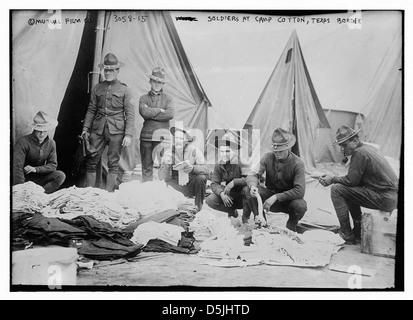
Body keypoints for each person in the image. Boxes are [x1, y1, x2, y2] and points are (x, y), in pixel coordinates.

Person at [319, 126, 399, 244]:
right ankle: (357, 230)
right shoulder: (368, 149)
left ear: (355, 141)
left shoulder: (359, 152)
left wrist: (333, 179)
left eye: (345, 145)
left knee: (337, 190)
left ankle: (346, 233)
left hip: (386, 198)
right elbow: (356, 181)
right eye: (341, 146)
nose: (342, 149)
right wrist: (338, 178)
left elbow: (351, 181)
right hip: (391, 197)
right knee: (348, 190)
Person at [81, 53, 135, 192]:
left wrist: (128, 135)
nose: (108, 73)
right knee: (91, 161)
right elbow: (91, 109)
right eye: (106, 70)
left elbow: (130, 114)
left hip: (117, 131)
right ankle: (90, 194)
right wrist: (85, 129)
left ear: (117, 71)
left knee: (113, 163)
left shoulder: (124, 90)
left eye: (111, 70)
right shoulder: (97, 88)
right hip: (98, 129)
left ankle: (109, 194)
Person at [243, 128, 307, 231]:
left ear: (288, 148)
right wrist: (253, 186)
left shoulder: (298, 163)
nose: (277, 153)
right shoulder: (267, 157)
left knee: (300, 205)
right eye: (275, 151)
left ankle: (291, 226)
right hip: (269, 198)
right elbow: (252, 174)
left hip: (288, 202)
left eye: (280, 151)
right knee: (247, 190)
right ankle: (261, 223)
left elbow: (299, 191)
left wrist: (276, 197)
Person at [158, 126, 210, 211]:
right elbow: (161, 177)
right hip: (177, 186)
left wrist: (193, 168)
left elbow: (207, 169)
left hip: (191, 185)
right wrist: (166, 165)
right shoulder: (168, 153)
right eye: (176, 138)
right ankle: (172, 210)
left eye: (181, 138)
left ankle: (198, 208)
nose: (178, 141)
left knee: (201, 178)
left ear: (186, 141)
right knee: (165, 184)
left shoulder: (194, 151)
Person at [13, 111, 66, 194]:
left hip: (39, 179)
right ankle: (27, 195)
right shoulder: (23, 142)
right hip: (25, 179)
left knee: (60, 175)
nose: (42, 134)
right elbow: (17, 168)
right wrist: (21, 189)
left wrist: (36, 169)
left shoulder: (51, 143)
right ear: (34, 129)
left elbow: (52, 165)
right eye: (39, 131)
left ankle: (40, 195)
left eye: (45, 131)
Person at [139, 67, 175, 182]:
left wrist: (151, 113)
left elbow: (170, 114)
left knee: (163, 167)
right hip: (146, 137)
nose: (156, 84)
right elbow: (144, 112)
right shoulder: (143, 98)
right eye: (154, 81)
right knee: (146, 168)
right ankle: (147, 193)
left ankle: (161, 194)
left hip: (162, 137)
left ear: (163, 83)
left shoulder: (168, 99)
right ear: (150, 81)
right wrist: (160, 110)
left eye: (159, 82)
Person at [205, 132, 249, 218]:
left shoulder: (242, 162)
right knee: (210, 200)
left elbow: (251, 179)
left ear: (234, 150)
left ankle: (246, 217)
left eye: (228, 151)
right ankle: (231, 211)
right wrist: (222, 193)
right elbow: (214, 183)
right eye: (222, 151)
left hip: (242, 197)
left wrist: (234, 182)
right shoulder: (218, 165)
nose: (224, 154)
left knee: (248, 190)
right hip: (229, 196)